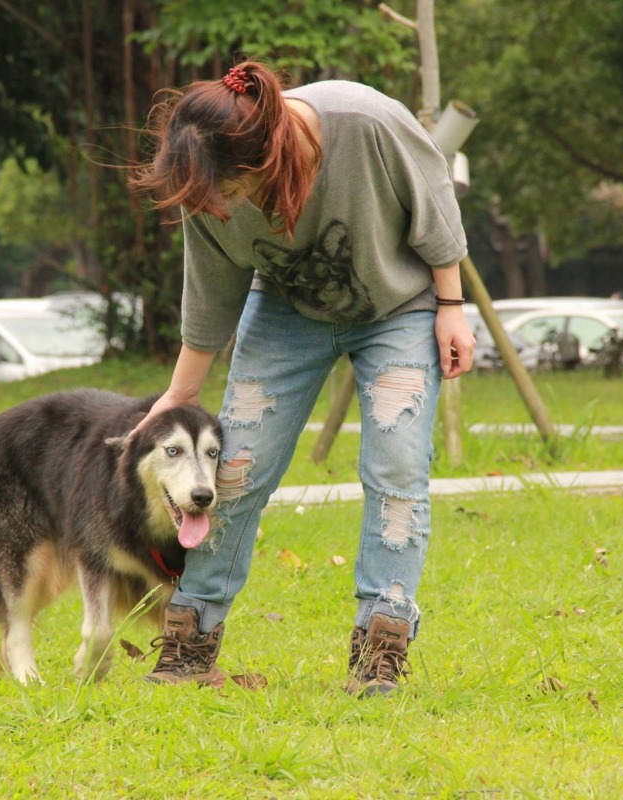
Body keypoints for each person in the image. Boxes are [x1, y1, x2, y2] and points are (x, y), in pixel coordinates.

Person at [130, 60, 474, 696]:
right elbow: (210, 290)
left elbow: (435, 204)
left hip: (399, 308)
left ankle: (380, 646)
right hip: (288, 308)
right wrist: (180, 395)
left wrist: (452, 307)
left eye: (229, 190)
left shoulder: (363, 122)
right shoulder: (204, 175)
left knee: (397, 470)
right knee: (233, 471)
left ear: (265, 157)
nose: (220, 205)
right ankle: (190, 641)